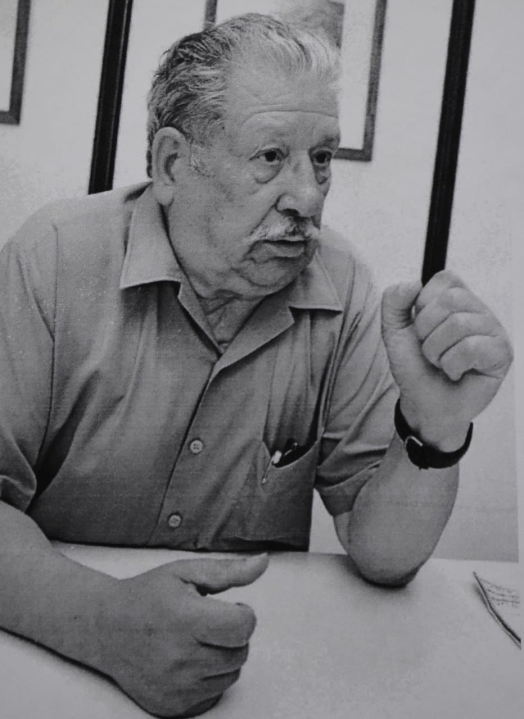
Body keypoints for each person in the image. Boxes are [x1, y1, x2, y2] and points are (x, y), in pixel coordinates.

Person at [0, 13, 513, 719]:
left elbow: (383, 555)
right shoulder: (54, 260)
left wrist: (434, 430)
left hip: (254, 674)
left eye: (322, 158)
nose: (309, 196)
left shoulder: (343, 286)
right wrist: (105, 624)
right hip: (45, 662)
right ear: (172, 165)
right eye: (271, 156)